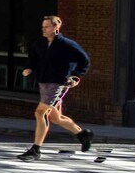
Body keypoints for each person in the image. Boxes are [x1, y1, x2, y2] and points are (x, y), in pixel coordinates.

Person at [18, 14, 93, 161]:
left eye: (47, 27)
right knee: (55, 117)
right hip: (43, 82)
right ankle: (83, 134)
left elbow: (84, 60)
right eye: (42, 27)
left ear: (55, 27)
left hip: (59, 83)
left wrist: (76, 76)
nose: (43, 29)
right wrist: (29, 68)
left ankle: (36, 150)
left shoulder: (66, 44)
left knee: (40, 113)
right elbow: (32, 59)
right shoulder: (39, 43)